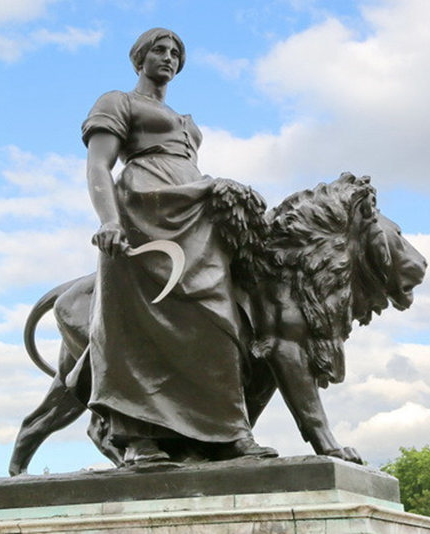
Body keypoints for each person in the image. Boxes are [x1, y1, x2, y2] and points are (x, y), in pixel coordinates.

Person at [81, 28, 276, 464]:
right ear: (139, 58)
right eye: (159, 50)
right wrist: (109, 220)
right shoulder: (119, 101)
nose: (168, 57)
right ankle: (137, 438)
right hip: (142, 214)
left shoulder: (188, 122)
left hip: (193, 216)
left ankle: (226, 431)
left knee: (217, 317)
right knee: (137, 326)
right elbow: (98, 163)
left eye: (175, 53)